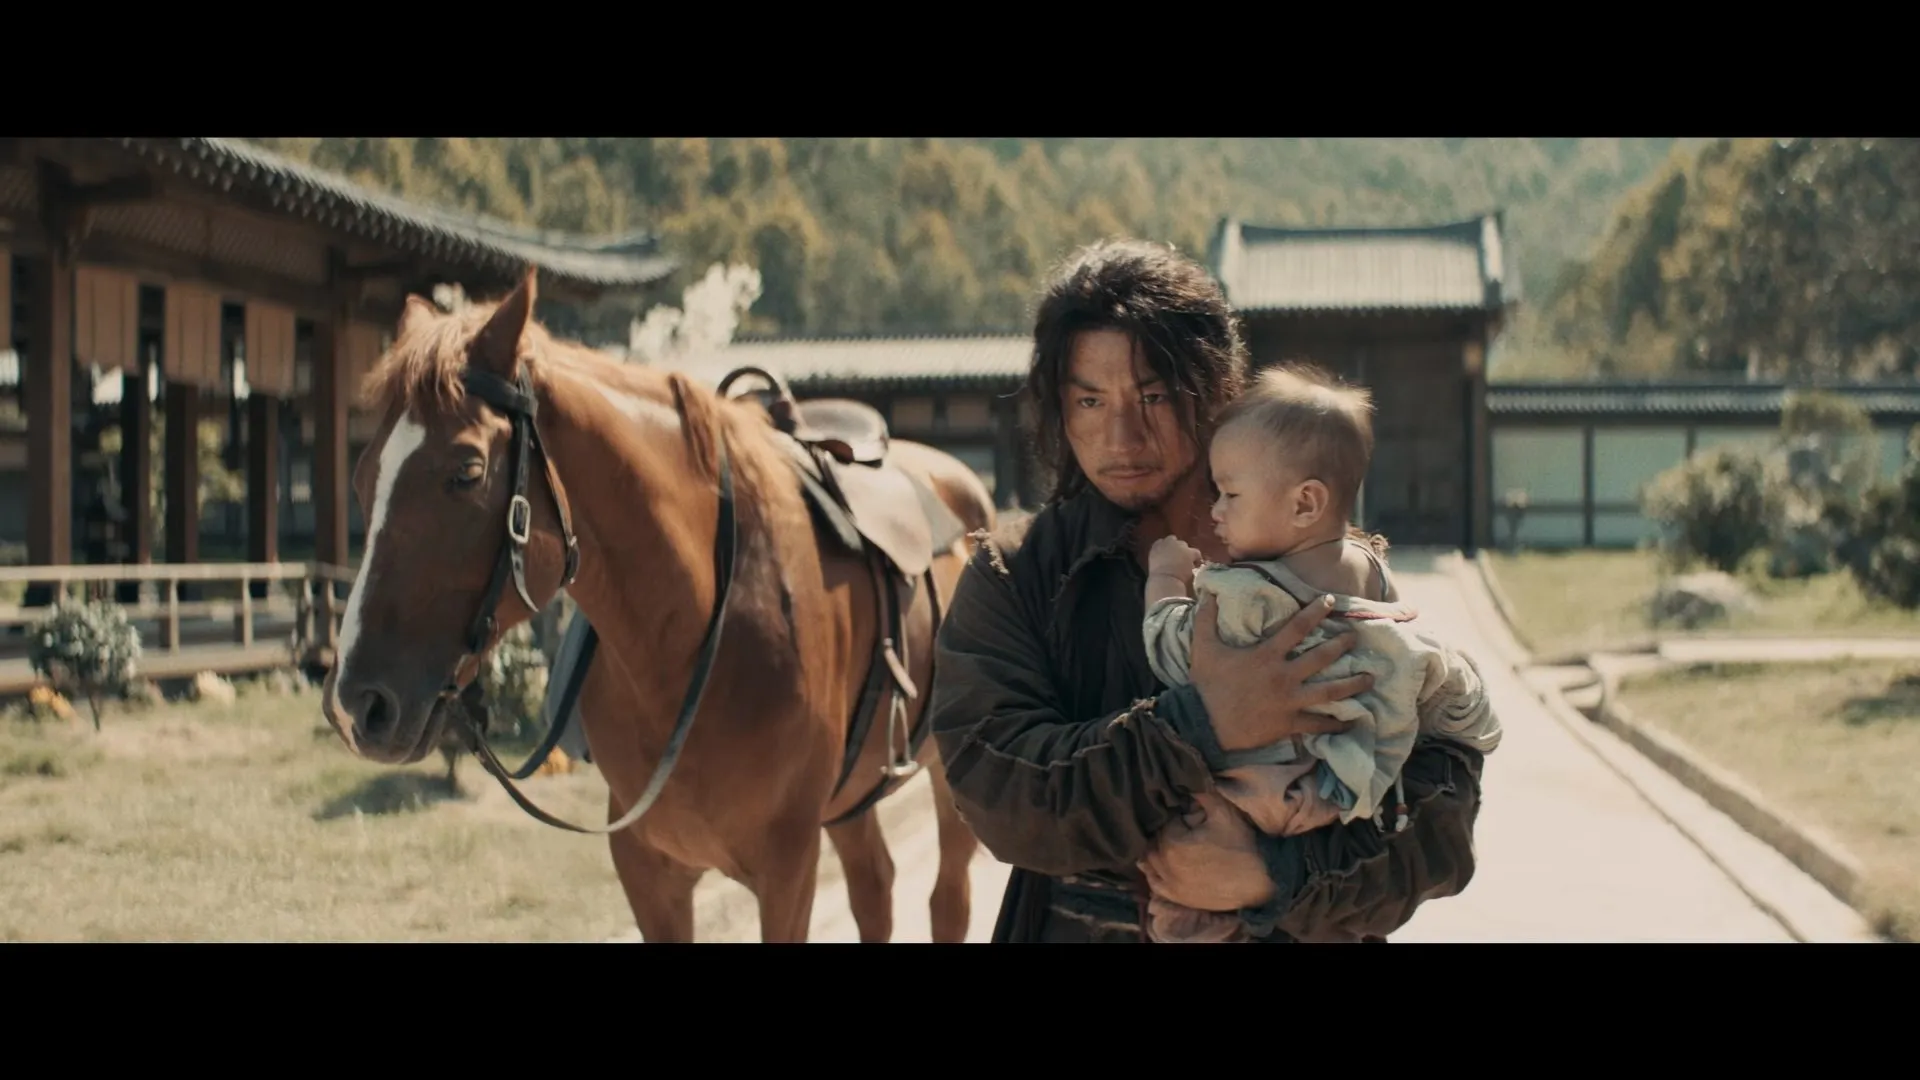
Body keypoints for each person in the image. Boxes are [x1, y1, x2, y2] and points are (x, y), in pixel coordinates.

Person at [926, 236, 1492, 943]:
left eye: (1154, 396)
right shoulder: (1018, 574)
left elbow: (1440, 822)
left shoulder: (1328, 567)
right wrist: (1199, 724)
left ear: (1215, 388)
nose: (1122, 435)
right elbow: (1001, 793)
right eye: (1090, 400)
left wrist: (1278, 876)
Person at [1135, 363, 1502, 943]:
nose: (1215, 511)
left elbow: (1171, 648)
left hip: (1262, 789)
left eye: (1230, 493)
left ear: (1305, 503)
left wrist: (1165, 578)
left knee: (1187, 844)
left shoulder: (1249, 596)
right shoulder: (1375, 576)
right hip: (1340, 788)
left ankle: (1193, 916)